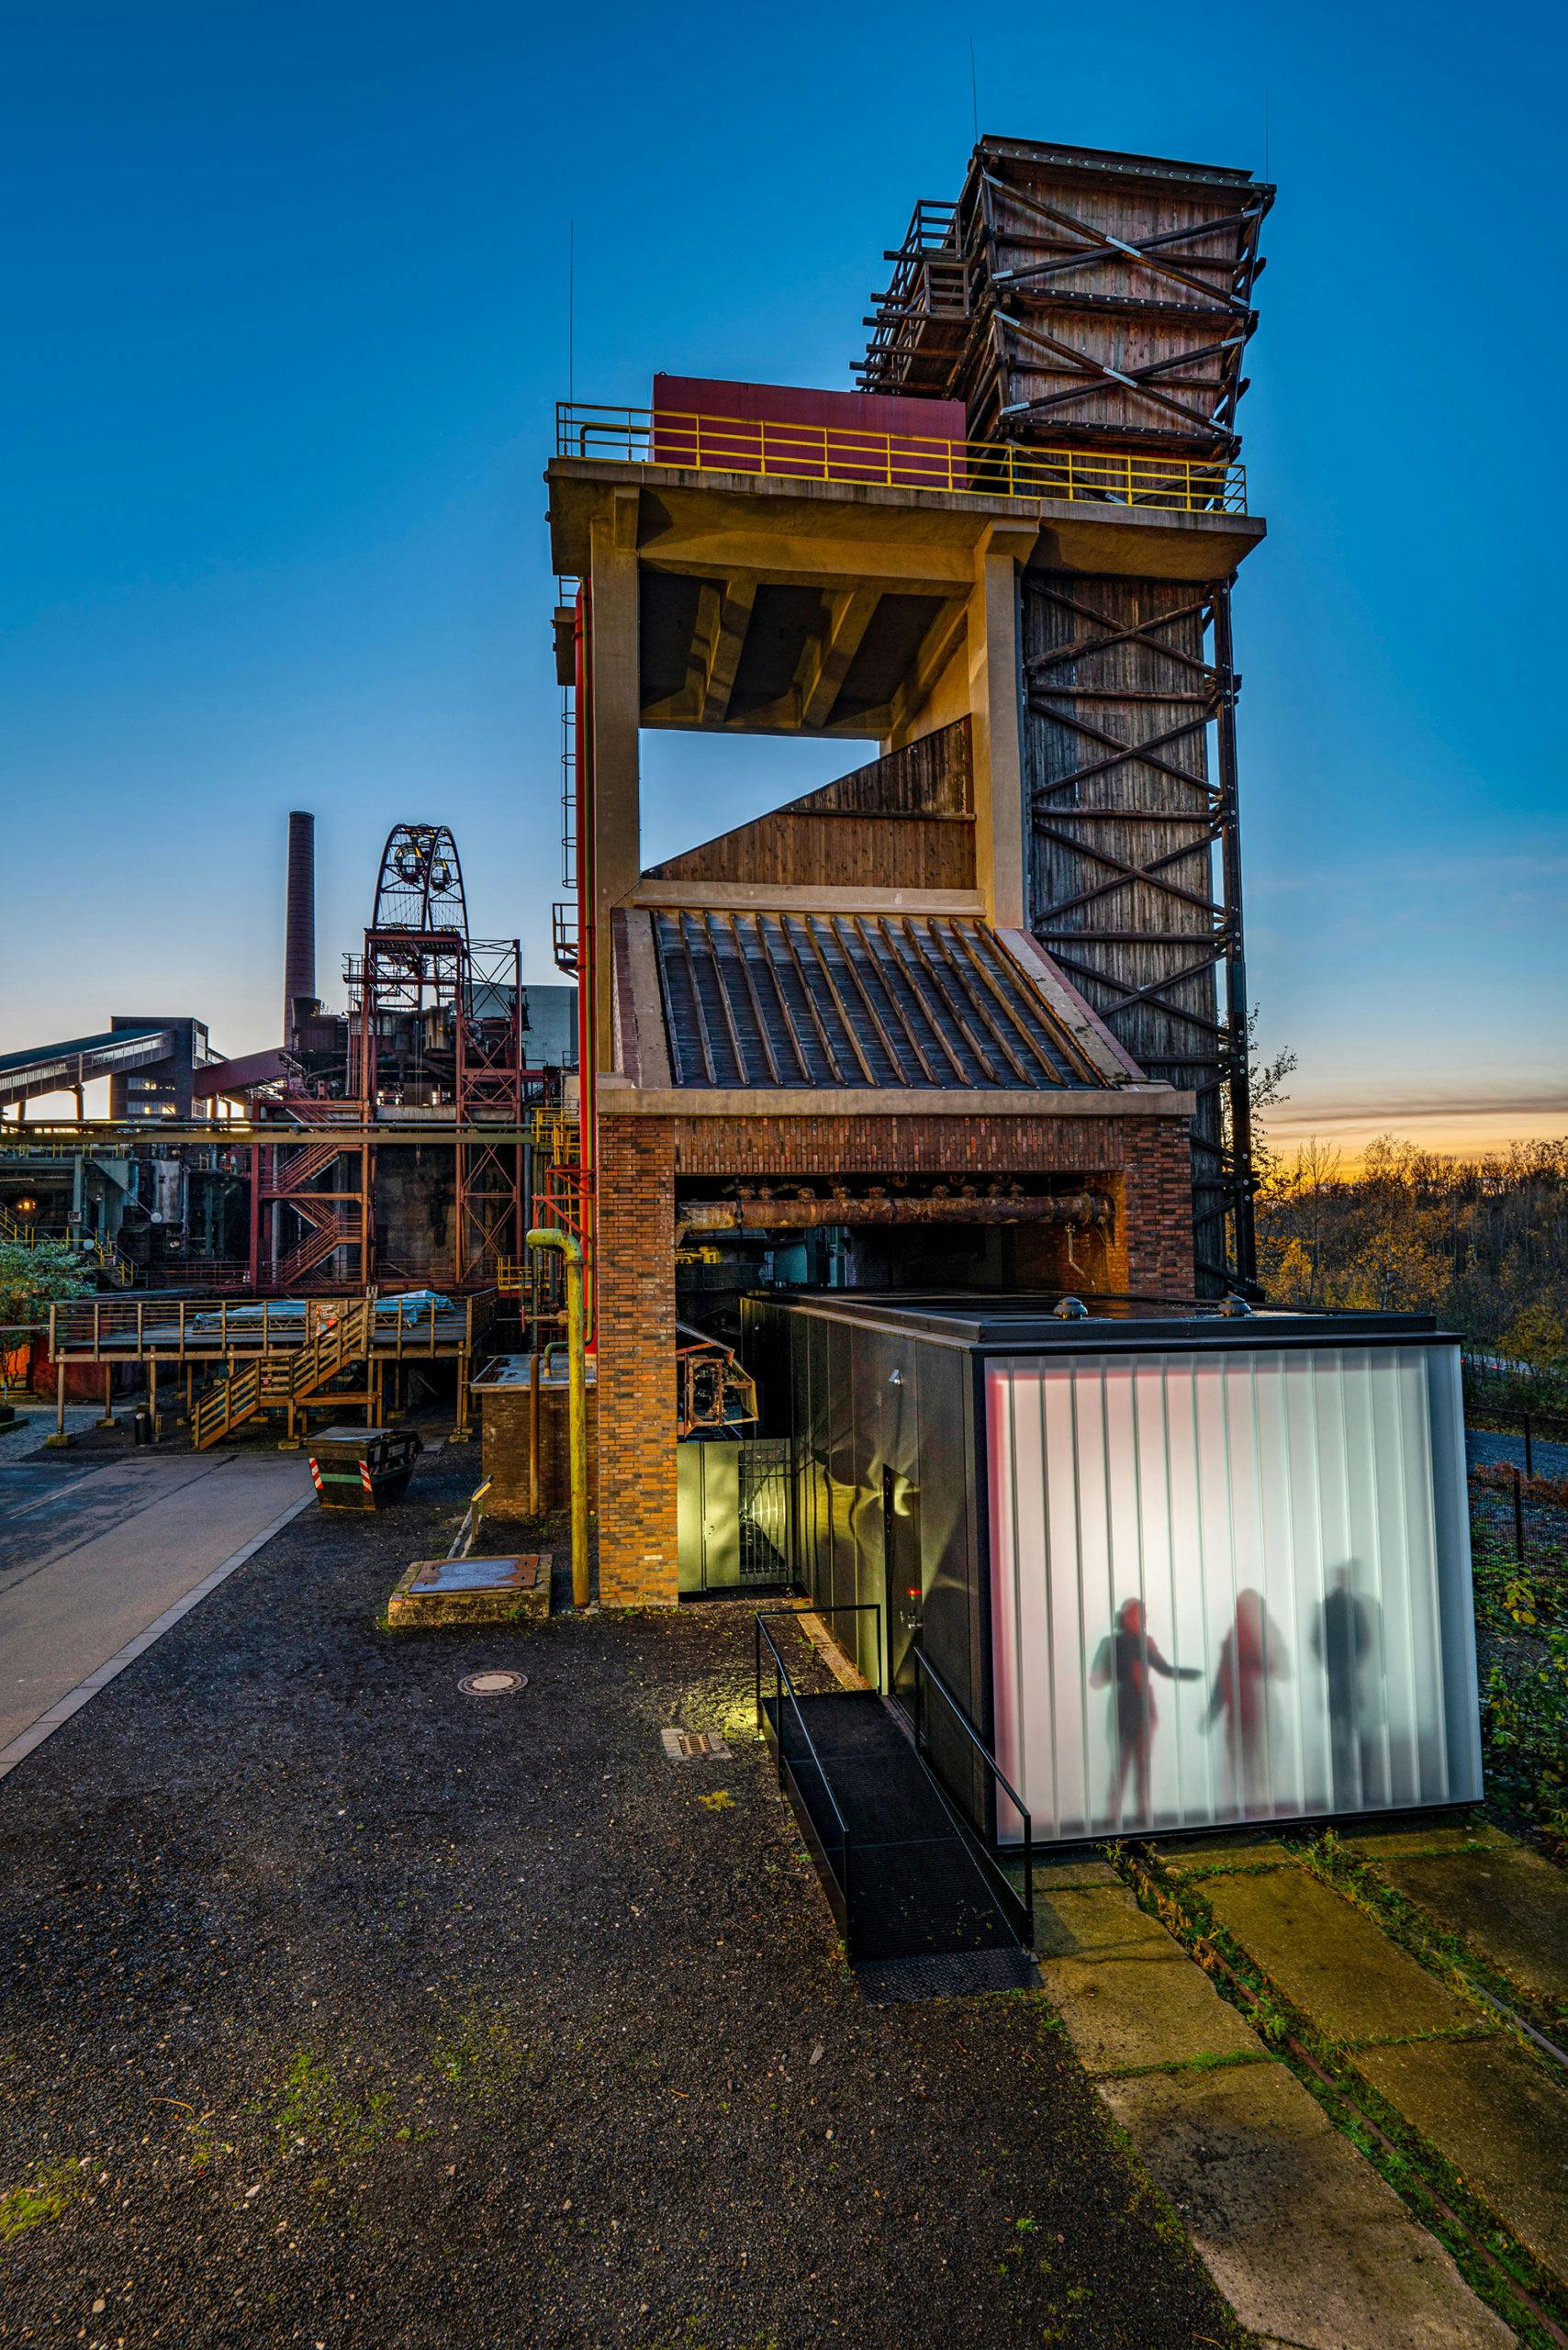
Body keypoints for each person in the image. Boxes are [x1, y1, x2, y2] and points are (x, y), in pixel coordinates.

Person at [1090, 1597, 1200, 1826]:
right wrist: (1123, 1673)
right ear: (1126, 1617)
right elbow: (1095, 1679)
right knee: (1120, 1764)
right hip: (1123, 1709)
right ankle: (1114, 1814)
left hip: (1142, 1709)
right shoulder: (1112, 1643)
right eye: (1138, 1614)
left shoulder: (1144, 1642)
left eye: (1143, 1615)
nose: (1142, 1619)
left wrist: (1193, 1674)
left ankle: (1140, 1813)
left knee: (1141, 1764)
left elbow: (1165, 1669)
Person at [1207, 1589, 1290, 1816]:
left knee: (1260, 1765)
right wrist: (1212, 1712)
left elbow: (1283, 1669)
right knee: (1244, 1766)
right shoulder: (1235, 1636)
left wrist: (1257, 1663)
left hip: (1260, 1712)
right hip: (1242, 1713)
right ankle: (1252, 1810)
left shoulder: (1265, 1633)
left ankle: (1260, 1809)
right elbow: (1222, 1676)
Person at [1311, 1564, 1385, 1808]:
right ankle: (1356, 1790)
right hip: (1347, 1679)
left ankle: (1347, 1791)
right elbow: (1364, 1640)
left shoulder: (1335, 1606)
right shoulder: (1351, 1605)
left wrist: (1332, 1664)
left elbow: (1317, 1641)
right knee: (1352, 1737)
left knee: (1344, 1738)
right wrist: (1346, 1664)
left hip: (1342, 1679)